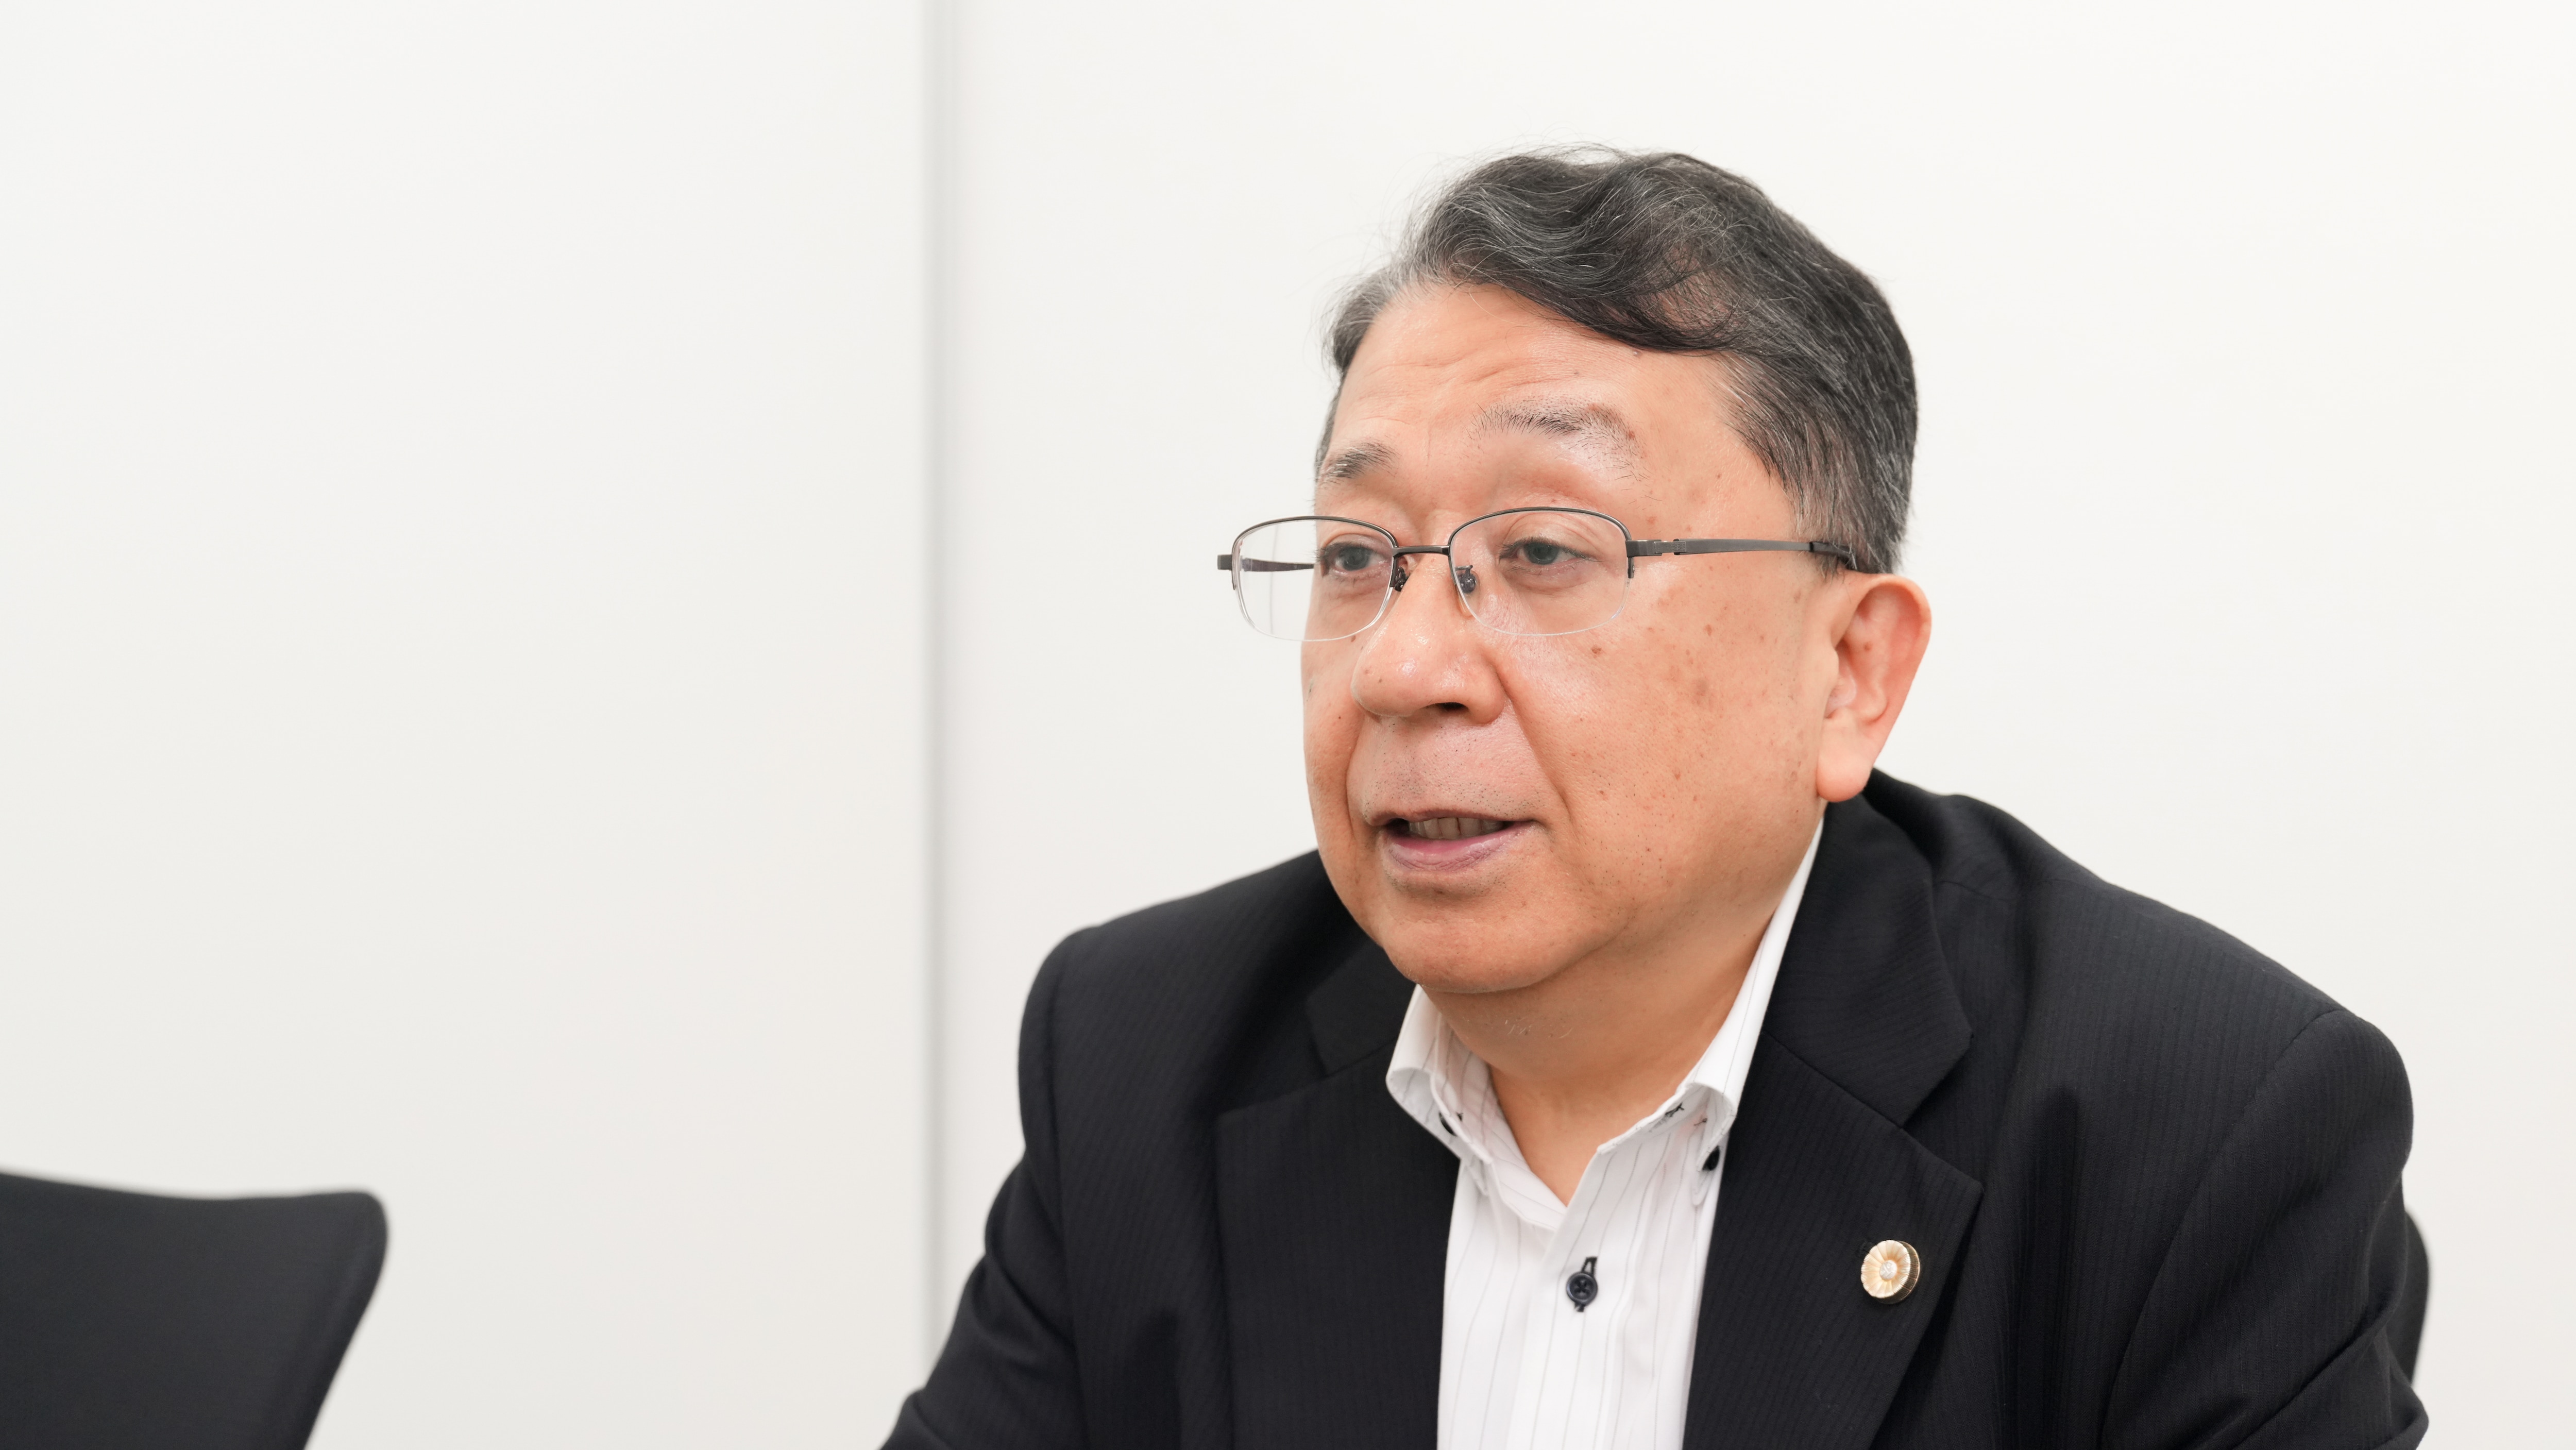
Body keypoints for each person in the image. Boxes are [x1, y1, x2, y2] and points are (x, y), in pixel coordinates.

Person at [886, 148, 2426, 1449]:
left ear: (1849, 673)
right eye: (1359, 557)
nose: (1405, 665)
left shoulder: (2199, 1141)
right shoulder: (1141, 1061)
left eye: (1544, 553)